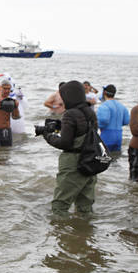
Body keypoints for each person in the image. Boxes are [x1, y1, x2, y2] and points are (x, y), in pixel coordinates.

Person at [42, 81, 98, 214]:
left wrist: (47, 135)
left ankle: (60, 233)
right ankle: (84, 232)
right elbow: (84, 132)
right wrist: (61, 126)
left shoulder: (70, 114)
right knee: (85, 205)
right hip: (90, 161)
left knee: (60, 206)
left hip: (73, 164)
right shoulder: (90, 113)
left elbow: (65, 143)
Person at [96, 84, 130, 152]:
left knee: (103, 158)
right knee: (115, 158)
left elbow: (104, 120)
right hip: (119, 135)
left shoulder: (104, 106)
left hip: (107, 135)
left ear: (104, 92)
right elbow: (126, 121)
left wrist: (96, 125)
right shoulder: (121, 106)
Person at [0, 79, 20, 147]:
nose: (7, 91)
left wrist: (16, 107)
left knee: (7, 153)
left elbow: (15, 117)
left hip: (7, 130)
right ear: (0, 88)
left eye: (8, 89)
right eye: (5, 88)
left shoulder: (11, 101)